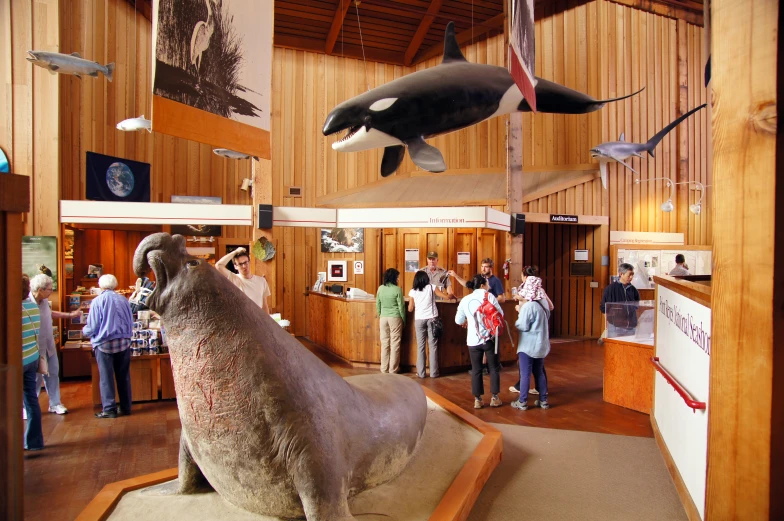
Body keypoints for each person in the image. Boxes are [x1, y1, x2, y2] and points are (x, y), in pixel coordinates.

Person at [83, 274, 134, 419]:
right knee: (123, 376)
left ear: (101, 286)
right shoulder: (124, 300)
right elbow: (131, 320)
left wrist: (84, 331)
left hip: (104, 344)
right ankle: (126, 407)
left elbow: (92, 326)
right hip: (124, 343)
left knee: (106, 377)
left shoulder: (98, 301)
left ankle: (109, 409)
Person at [29, 274, 81, 415]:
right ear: (40, 289)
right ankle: (28, 408)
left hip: (49, 345)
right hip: (34, 348)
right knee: (35, 379)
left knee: (52, 374)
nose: (51, 291)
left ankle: (55, 404)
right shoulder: (26, 301)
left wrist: (69, 315)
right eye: (49, 289)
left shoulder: (44, 300)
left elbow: (49, 314)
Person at [455, 274, 504, 409]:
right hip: (490, 338)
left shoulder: (466, 299)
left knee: (476, 369)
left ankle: (478, 400)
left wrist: (466, 321)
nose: (489, 286)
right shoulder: (489, 297)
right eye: (487, 283)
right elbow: (501, 314)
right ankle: (495, 398)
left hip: (472, 340)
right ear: (482, 285)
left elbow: (458, 320)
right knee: (493, 368)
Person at [510, 283, 552, 411]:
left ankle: (522, 401)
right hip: (541, 345)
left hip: (527, 346)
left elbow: (523, 325)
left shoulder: (528, 306)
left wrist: (519, 313)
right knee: (539, 372)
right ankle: (543, 400)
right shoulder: (543, 304)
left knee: (525, 374)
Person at [408, 270, 449, 378]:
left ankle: (421, 373)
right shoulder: (432, 287)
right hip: (432, 319)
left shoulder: (412, 291)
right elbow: (445, 296)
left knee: (420, 346)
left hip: (419, 319)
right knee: (433, 346)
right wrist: (451, 296)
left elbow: (410, 308)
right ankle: (434, 373)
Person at [21, 275, 44, 451]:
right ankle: (34, 441)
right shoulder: (33, 307)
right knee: (31, 400)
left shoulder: (14, 309)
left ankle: (12, 445)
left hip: (18, 361)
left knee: (12, 403)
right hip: (32, 357)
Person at [216, 247, 271, 313]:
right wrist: (235, 252)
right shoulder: (233, 279)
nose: (244, 266)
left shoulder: (261, 281)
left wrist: (266, 323)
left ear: (249, 262)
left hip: (257, 321)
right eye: (240, 264)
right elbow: (218, 265)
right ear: (235, 266)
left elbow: (264, 305)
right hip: (241, 320)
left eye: (245, 262)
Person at [599, 263, 641, 341]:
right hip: (615, 328)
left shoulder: (634, 290)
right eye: (629, 275)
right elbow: (603, 308)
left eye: (632, 275)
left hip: (631, 328)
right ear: (621, 274)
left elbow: (637, 307)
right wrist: (609, 324)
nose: (631, 277)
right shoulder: (610, 289)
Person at [376, 268, 405, 374]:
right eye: (397, 277)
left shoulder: (380, 288)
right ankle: (393, 369)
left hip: (383, 318)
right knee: (395, 344)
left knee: (385, 344)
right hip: (395, 317)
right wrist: (403, 319)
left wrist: (380, 315)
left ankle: (384, 369)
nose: (398, 279)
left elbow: (377, 304)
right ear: (394, 277)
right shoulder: (397, 290)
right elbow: (401, 307)